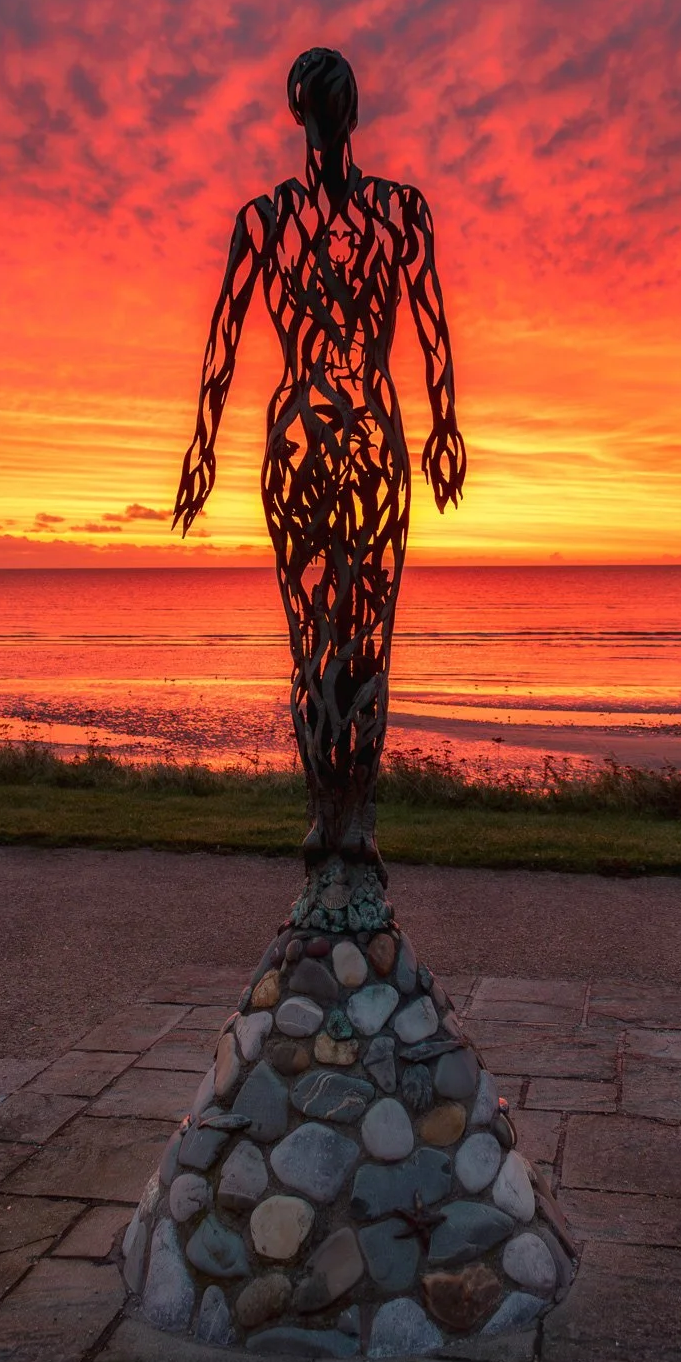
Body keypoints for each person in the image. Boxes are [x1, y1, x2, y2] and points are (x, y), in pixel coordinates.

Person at [174, 47, 465, 886]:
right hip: (304, 441)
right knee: (315, 639)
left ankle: (353, 811)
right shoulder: (266, 219)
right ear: (317, 116)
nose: (329, 125)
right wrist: (202, 445)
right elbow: (223, 337)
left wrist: (445, 424)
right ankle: (326, 809)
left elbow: (431, 323)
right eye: (323, 109)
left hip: (371, 441)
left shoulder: (400, 212)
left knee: (363, 633)